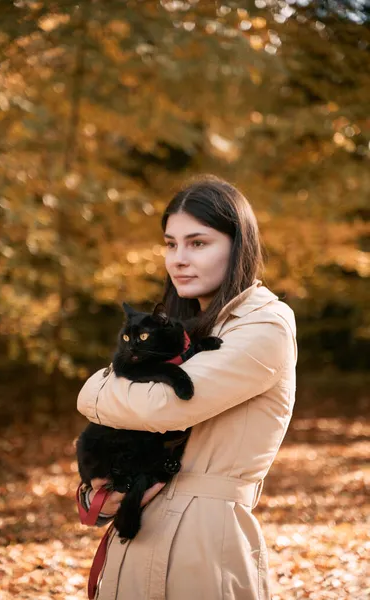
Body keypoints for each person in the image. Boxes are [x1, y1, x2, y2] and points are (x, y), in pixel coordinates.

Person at [77, 174, 298, 600]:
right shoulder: (186, 331)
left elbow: (165, 405)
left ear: (238, 246)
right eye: (170, 243)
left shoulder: (265, 325)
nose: (178, 259)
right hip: (141, 531)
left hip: (203, 541)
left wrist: (92, 393)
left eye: (198, 243)